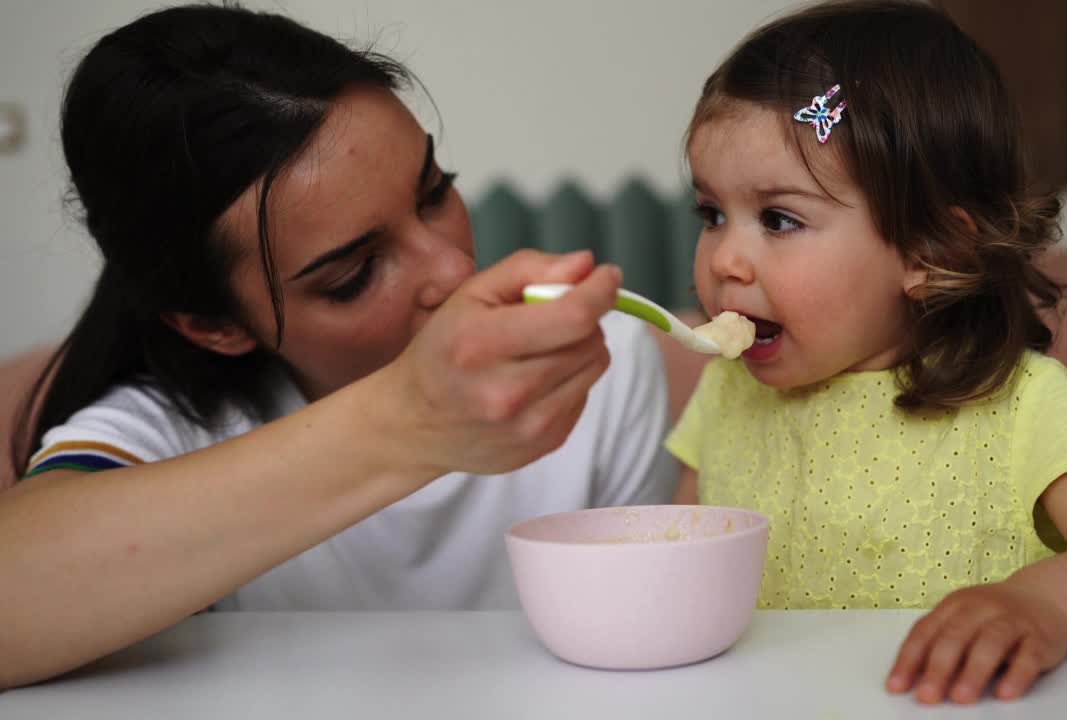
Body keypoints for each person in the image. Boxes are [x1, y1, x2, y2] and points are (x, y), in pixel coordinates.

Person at [0, 4, 677, 688]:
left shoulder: (603, 367)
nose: (451, 269)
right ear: (214, 325)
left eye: (436, 192)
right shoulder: (173, 428)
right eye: (353, 276)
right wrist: (409, 424)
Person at [665, 0, 1067, 705]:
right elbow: (683, 566)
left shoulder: (1018, 402)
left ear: (926, 250)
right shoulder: (725, 394)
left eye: (779, 219)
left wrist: (1046, 605)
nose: (726, 260)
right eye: (712, 214)